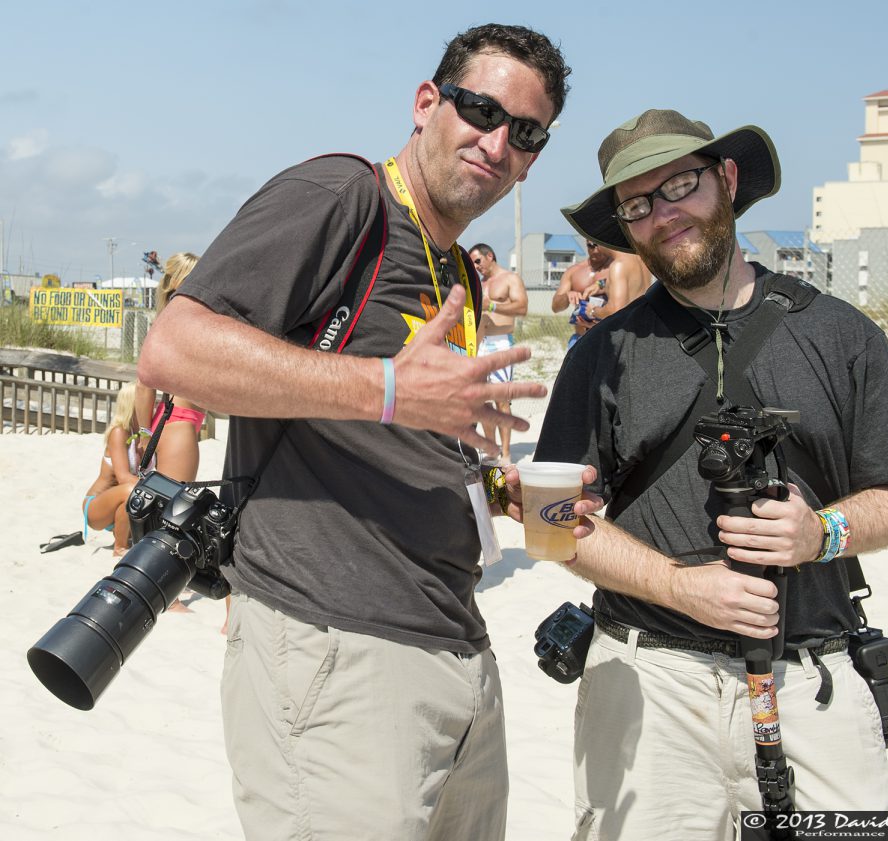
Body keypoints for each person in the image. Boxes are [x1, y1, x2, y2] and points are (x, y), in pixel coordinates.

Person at [138, 24, 574, 841]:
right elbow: (173, 348)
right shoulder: (344, 198)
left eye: (525, 132)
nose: (496, 141)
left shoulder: (456, 271)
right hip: (338, 651)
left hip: (453, 647)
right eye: (479, 109)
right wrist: (386, 388)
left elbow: (408, 428)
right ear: (426, 103)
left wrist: (496, 491)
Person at [532, 109, 888, 839]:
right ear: (625, 227)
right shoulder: (601, 354)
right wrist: (678, 585)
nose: (664, 215)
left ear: (726, 179)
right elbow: (546, 518)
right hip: (648, 685)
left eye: (681, 185)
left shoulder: (840, 333)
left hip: (813, 679)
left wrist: (823, 532)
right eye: (638, 204)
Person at [135, 252, 204, 483]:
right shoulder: (182, 326)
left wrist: (146, 433)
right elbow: (144, 386)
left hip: (169, 420)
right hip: (180, 423)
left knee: (161, 504)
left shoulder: (166, 325)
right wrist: (145, 435)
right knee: (170, 509)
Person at [469, 242, 528, 464]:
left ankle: (506, 452)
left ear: (490, 256)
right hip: (480, 345)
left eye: (478, 261)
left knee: (501, 401)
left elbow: (522, 308)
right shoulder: (479, 283)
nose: (476, 266)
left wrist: (491, 306)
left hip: (500, 344)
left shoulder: (510, 279)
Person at [551, 240, 650, 348]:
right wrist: (567, 296)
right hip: (581, 339)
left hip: (610, 338)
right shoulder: (574, 271)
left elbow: (616, 308)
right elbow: (555, 308)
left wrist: (592, 311)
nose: (596, 250)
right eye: (591, 245)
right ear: (586, 243)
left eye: (597, 244)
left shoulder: (617, 266)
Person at [82, 382, 141, 555]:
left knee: (137, 491)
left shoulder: (141, 434)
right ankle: (119, 547)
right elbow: (123, 477)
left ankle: (126, 538)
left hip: (120, 506)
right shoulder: (119, 432)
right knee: (133, 490)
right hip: (96, 506)